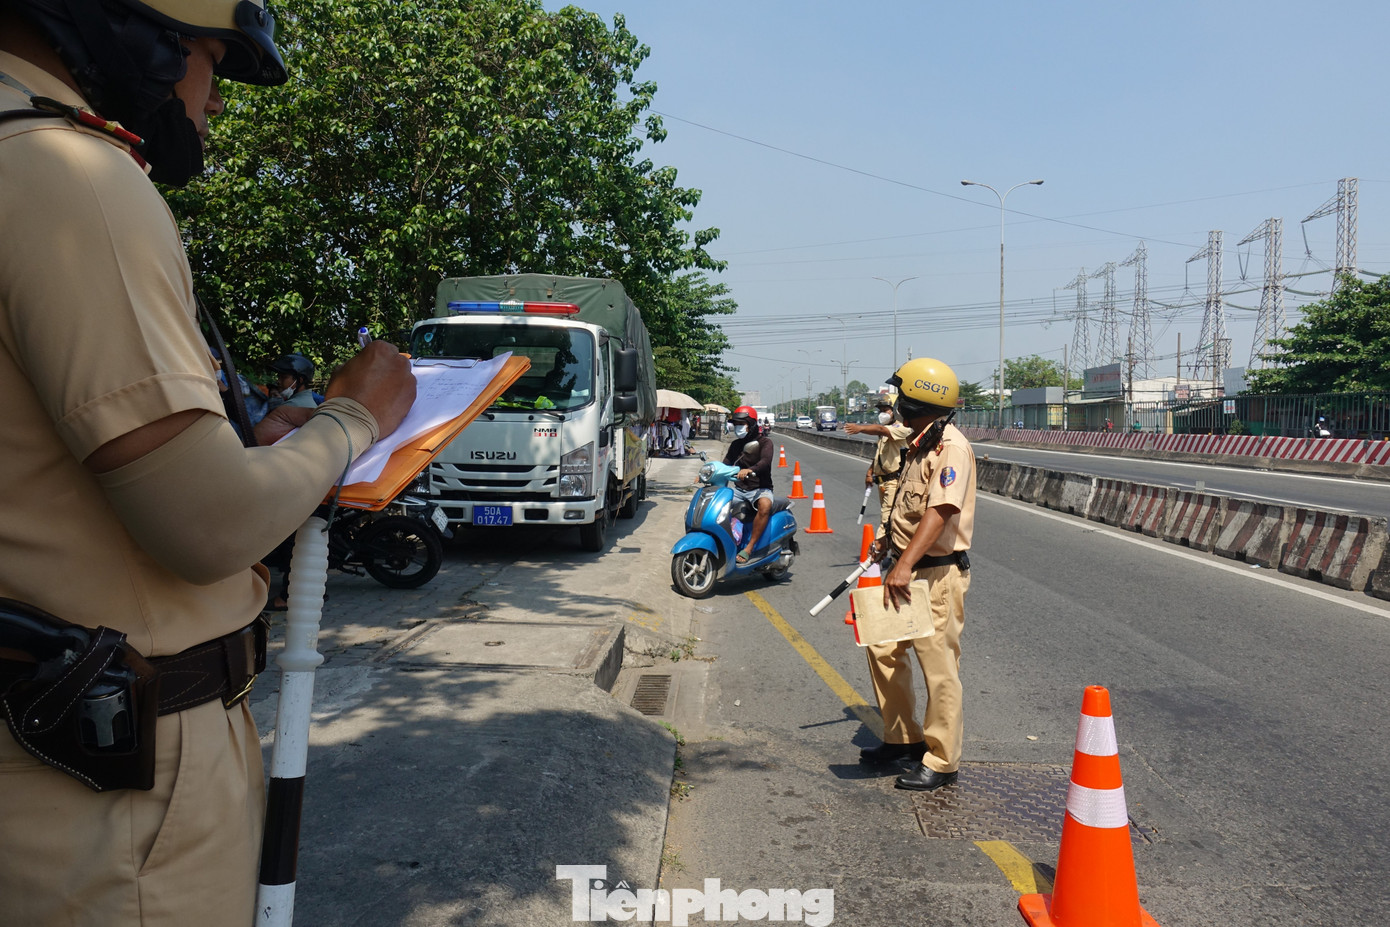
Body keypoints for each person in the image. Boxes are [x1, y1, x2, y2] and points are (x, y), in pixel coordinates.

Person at [0, 2, 416, 924]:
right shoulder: (70, 177)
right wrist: (355, 417)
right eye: (214, 63)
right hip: (116, 798)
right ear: (141, 33)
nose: (215, 102)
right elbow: (209, 523)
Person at [857, 358, 976, 793]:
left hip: (934, 573)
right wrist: (888, 544)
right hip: (904, 567)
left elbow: (941, 511)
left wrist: (905, 564)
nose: (894, 403)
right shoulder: (920, 442)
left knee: (938, 667)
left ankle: (942, 759)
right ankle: (902, 737)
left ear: (917, 398)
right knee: (882, 647)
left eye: (900, 395)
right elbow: (906, 502)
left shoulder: (952, 448)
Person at [844, 398, 913, 540]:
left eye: (886, 410)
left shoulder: (900, 429)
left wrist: (860, 428)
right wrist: (870, 472)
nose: (882, 414)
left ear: (894, 411)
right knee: (888, 517)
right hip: (882, 481)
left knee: (886, 519)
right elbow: (880, 456)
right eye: (880, 411)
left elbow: (881, 429)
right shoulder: (883, 432)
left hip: (894, 481)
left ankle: (875, 555)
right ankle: (893, 550)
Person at [722, 405, 774, 563]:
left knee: (765, 505)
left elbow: (765, 462)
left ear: (751, 425)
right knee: (718, 504)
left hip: (760, 488)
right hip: (739, 489)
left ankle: (749, 547)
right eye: (736, 424)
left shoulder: (765, 442)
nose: (738, 427)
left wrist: (749, 470)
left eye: (741, 424)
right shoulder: (736, 445)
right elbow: (726, 463)